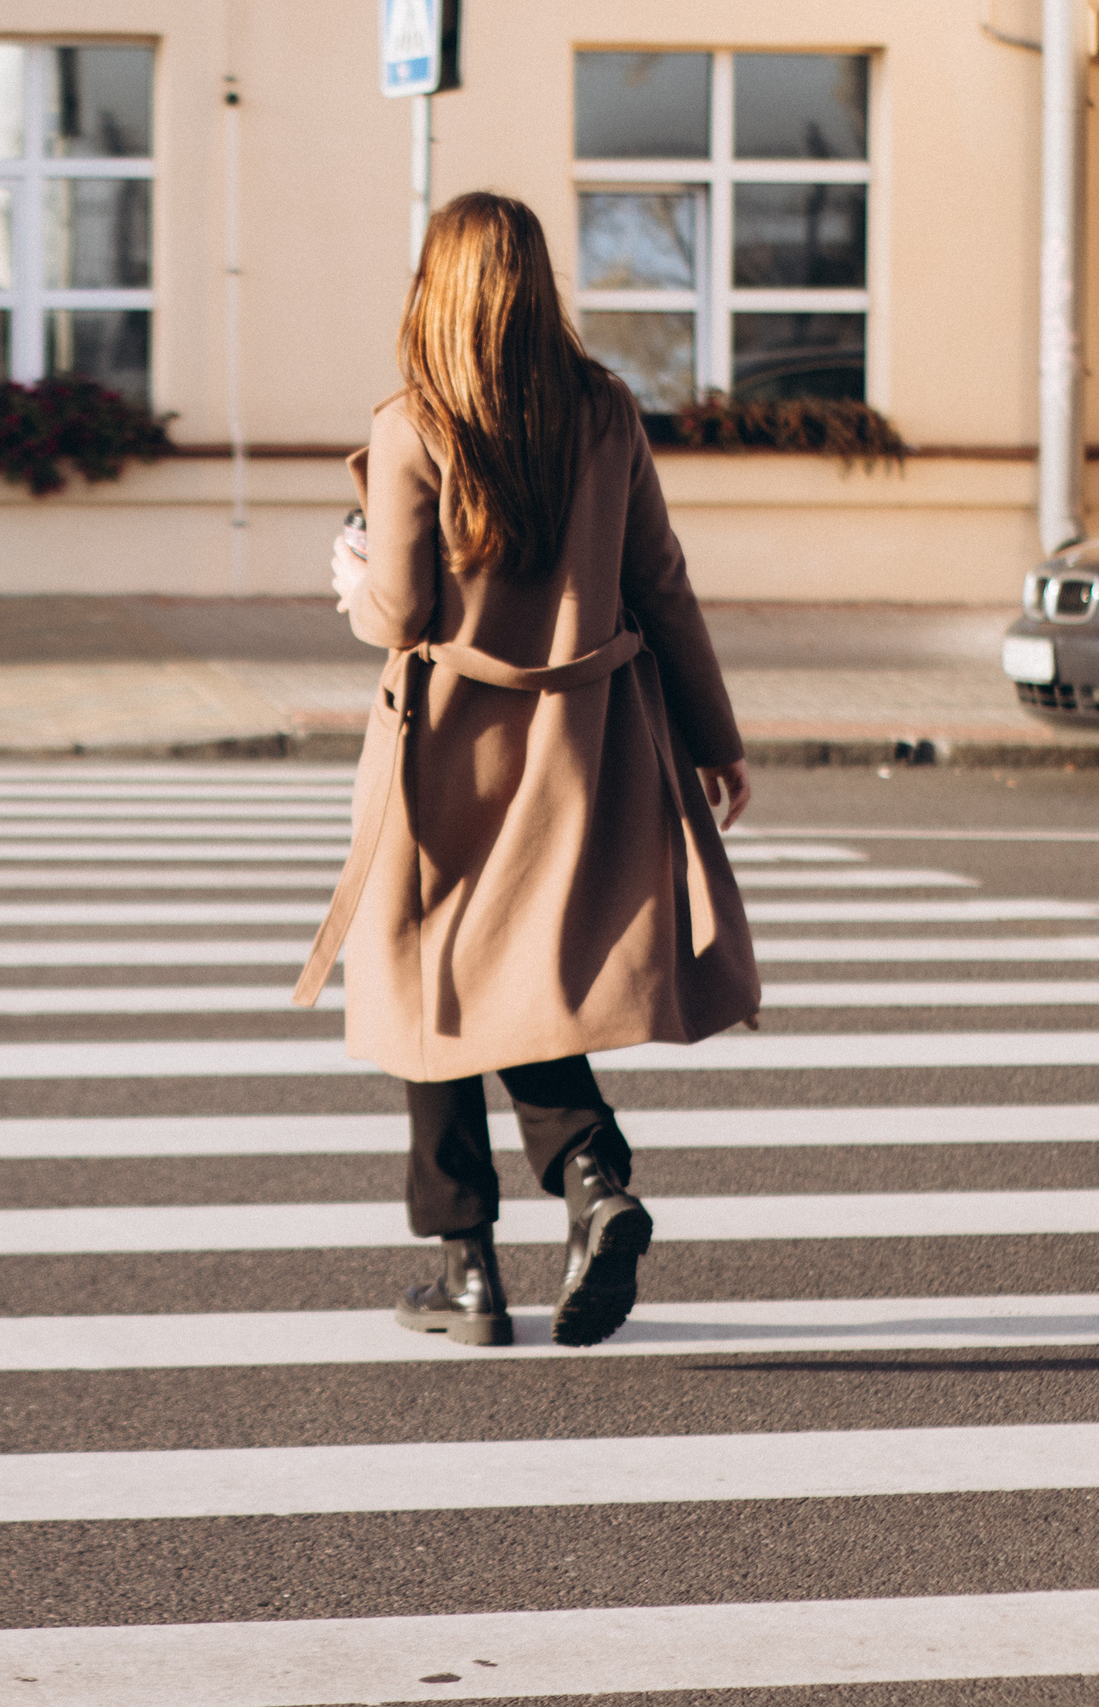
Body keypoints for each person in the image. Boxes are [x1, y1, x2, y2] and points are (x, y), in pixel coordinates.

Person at [296, 192, 759, 1351]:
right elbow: (662, 580)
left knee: (424, 987)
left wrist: (351, 569)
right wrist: (715, 738)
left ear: (435, 289)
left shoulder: (415, 423)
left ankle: (466, 1276)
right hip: (575, 748)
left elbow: (399, 610)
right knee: (514, 981)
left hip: (442, 747)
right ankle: (594, 1179)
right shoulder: (605, 413)